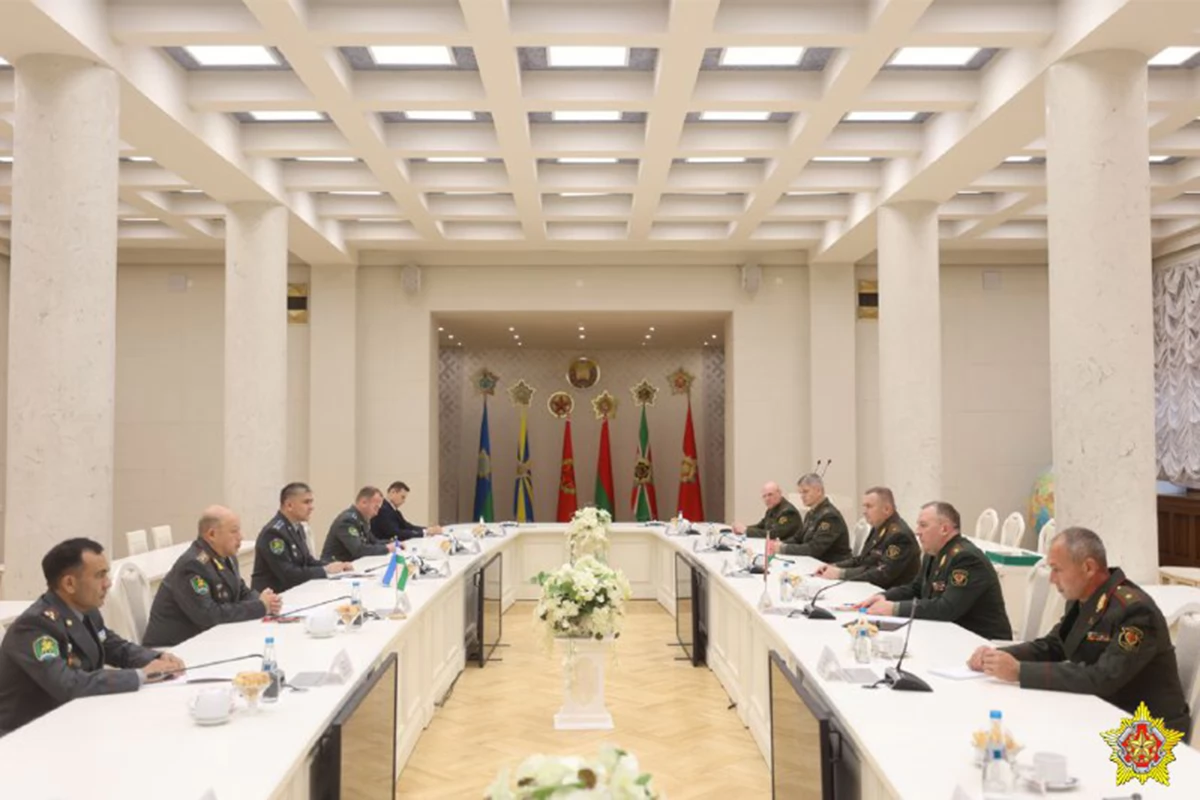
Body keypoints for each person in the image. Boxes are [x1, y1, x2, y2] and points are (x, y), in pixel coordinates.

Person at [967, 527, 1191, 737]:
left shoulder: (1135, 611)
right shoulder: (1084, 599)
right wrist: (998, 656)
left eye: (1057, 569)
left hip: (1148, 732)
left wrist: (1019, 672)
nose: (1052, 579)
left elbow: (1103, 678)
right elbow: (1054, 645)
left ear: (1088, 568)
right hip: (1104, 711)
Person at [0, 538, 184, 734]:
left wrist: (156, 658)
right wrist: (141, 675)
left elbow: (116, 647)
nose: (108, 583)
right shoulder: (34, 627)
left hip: (74, 719)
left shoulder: (86, 611)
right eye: (99, 576)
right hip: (26, 735)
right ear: (69, 584)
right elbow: (68, 684)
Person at [857, 502, 1011, 640]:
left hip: (983, 642)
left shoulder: (966, 558)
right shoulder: (934, 552)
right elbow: (916, 588)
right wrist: (884, 596)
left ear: (944, 529)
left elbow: (946, 608)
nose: (917, 531)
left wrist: (894, 608)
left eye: (923, 525)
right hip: (951, 634)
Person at [143, 506, 283, 648]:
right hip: (171, 648)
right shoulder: (192, 565)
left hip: (204, 640)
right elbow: (209, 615)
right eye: (234, 531)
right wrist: (259, 607)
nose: (241, 537)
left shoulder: (227, 556)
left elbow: (240, 591)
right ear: (212, 534)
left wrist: (265, 600)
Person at [252, 482, 353, 593]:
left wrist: (335, 566)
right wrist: (325, 570)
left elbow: (308, 560)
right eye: (306, 502)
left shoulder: (297, 527)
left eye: (311, 502)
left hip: (295, 591)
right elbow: (288, 574)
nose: (311, 507)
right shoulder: (273, 533)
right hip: (275, 596)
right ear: (289, 505)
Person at [814, 487, 919, 589]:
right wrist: (834, 566)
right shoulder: (879, 527)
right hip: (870, 588)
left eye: (869, 506)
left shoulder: (899, 536)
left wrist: (841, 574)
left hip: (888, 593)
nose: (864, 511)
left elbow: (882, 574)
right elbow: (862, 559)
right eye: (864, 507)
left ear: (887, 509)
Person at [774, 474, 852, 562]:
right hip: (815, 561)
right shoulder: (811, 513)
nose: (802, 496)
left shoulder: (830, 516)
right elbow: (798, 538)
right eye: (801, 493)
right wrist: (781, 543)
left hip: (832, 564)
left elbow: (814, 549)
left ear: (819, 491)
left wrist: (784, 548)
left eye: (805, 492)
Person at [321, 486, 396, 562]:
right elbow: (358, 550)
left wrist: (394, 543)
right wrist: (387, 548)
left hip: (349, 564)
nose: (376, 513)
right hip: (334, 566)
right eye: (375, 508)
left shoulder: (361, 520)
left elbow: (373, 541)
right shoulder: (347, 520)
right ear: (364, 503)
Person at [371, 481, 443, 543]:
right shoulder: (383, 509)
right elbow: (396, 533)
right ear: (393, 492)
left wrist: (428, 529)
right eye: (402, 497)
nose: (404, 501)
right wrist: (424, 532)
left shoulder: (393, 510)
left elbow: (407, 526)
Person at [733, 481, 802, 543]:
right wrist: (742, 529)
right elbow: (760, 526)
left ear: (779, 493)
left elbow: (773, 534)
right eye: (764, 496)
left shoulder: (788, 512)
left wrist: (746, 530)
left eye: (770, 495)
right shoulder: (772, 509)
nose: (767, 499)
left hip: (787, 550)